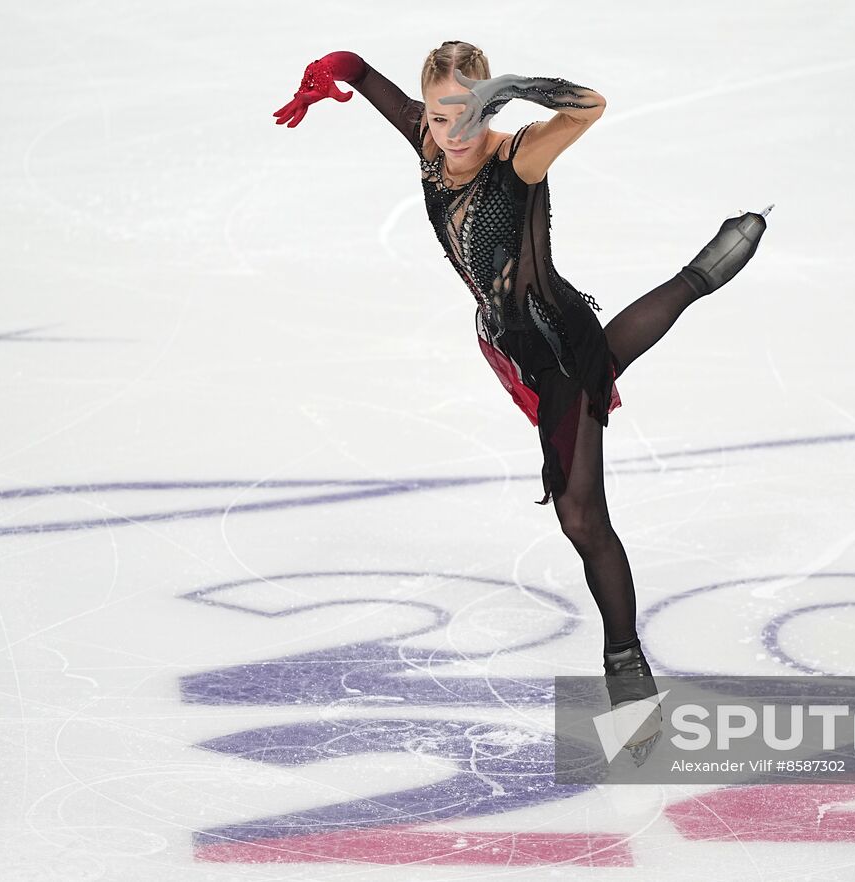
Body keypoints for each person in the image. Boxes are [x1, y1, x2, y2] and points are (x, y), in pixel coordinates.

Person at [274, 42, 767, 730]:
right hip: (507, 342)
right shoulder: (425, 134)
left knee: (580, 515)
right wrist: (330, 71)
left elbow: (591, 107)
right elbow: (360, 71)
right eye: (445, 115)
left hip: (557, 344)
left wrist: (510, 87)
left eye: (474, 111)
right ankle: (695, 278)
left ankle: (626, 666)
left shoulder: (518, 156)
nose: (459, 130)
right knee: (607, 378)